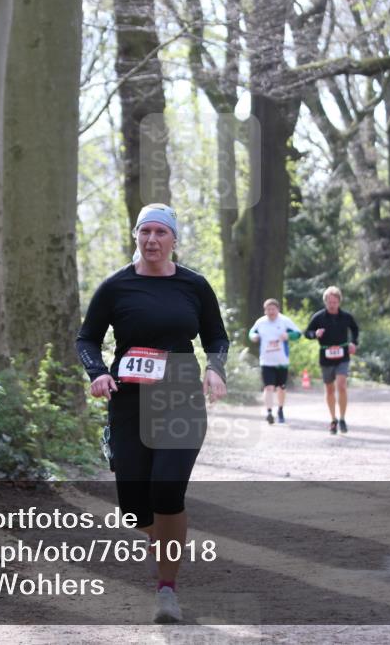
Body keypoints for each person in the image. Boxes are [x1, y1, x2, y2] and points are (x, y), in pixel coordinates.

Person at [76, 203, 229, 624]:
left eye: (161, 232)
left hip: (180, 393)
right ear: (136, 237)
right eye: (145, 232)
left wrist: (215, 370)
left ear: (174, 239)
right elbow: (87, 338)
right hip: (129, 400)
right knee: (135, 510)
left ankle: (167, 589)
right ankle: (169, 538)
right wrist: (98, 373)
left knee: (166, 493)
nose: (152, 240)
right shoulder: (116, 287)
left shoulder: (194, 286)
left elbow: (217, 336)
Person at [304, 286, 359, 435]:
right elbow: (307, 333)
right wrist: (315, 334)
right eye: (329, 302)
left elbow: (355, 329)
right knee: (329, 389)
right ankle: (333, 419)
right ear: (325, 302)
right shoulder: (319, 317)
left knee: (341, 386)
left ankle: (342, 418)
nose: (332, 304)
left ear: (339, 302)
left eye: (334, 302)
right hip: (326, 356)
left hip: (343, 356)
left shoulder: (346, 317)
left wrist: (354, 343)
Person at [248, 298, 302, 424]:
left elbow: (298, 333)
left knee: (281, 387)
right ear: (265, 311)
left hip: (282, 361)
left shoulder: (284, 321)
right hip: (266, 361)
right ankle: (269, 412)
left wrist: (288, 336)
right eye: (268, 309)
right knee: (268, 387)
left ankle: (281, 410)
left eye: (273, 309)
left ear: (278, 309)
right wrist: (253, 337)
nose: (271, 312)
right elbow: (251, 332)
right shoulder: (261, 322)